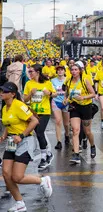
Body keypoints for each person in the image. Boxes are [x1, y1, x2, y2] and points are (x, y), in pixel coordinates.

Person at [0, 82, 53, 212]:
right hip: (12, 142)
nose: (2, 93)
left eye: (5, 91)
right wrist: (3, 136)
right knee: (6, 174)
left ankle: (42, 181)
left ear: (13, 94)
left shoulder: (20, 105)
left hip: (25, 141)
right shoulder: (4, 107)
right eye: (1, 91)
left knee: (17, 177)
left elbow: (35, 121)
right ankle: (20, 203)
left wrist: (22, 136)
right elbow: (8, 124)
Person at [23, 64, 56, 170]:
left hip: (45, 112)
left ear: (37, 72)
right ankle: (48, 154)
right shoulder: (28, 83)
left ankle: (43, 158)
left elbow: (55, 94)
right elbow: (25, 100)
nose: (29, 73)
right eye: (29, 71)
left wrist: (49, 93)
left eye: (31, 71)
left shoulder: (47, 83)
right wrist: (30, 94)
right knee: (38, 134)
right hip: (33, 113)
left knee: (40, 132)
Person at [63, 63, 96, 164]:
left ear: (80, 71)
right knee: (75, 130)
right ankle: (76, 154)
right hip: (74, 107)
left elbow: (93, 94)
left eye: (75, 70)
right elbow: (67, 93)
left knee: (87, 131)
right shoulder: (68, 81)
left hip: (86, 107)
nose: (73, 72)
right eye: (72, 70)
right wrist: (66, 100)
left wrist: (83, 97)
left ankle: (93, 145)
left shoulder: (85, 79)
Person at [51, 65, 70, 150]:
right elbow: (52, 91)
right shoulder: (53, 81)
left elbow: (70, 91)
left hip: (66, 102)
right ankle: (58, 141)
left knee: (66, 123)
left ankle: (67, 135)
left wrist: (66, 99)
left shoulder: (68, 80)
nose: (60, 71)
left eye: (62, 70)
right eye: (58, 70)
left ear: (64, 71)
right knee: (58, 121)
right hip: (56, 102)